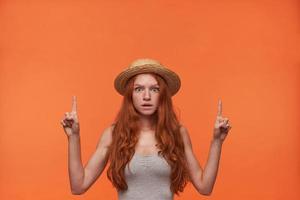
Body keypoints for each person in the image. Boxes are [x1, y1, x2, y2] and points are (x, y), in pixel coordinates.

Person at [60, 58, 232, 200]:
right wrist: (74, 136)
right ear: (130, 95)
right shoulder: (114, 134)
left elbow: (205, 187)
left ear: (162, 95)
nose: (147, 96)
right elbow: (78, 186)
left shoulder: (177, 133)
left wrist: (217, 141)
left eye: (154, 89)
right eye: (139, 89)